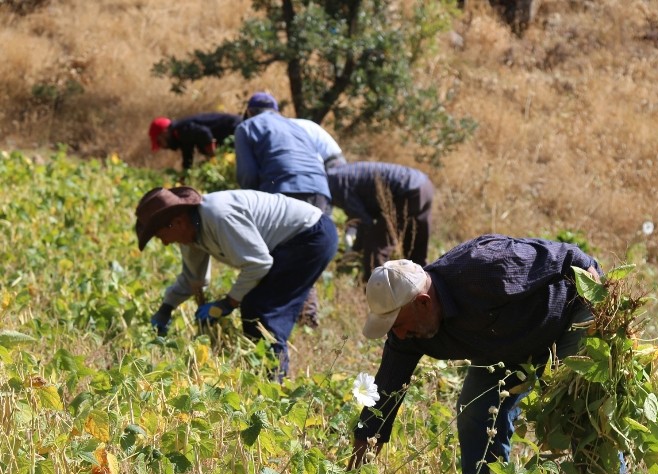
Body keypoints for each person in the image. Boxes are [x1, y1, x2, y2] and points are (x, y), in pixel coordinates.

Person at [350, 234, 629, 474]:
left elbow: (570, 257)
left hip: (569, 316)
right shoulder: (409, 335)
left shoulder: (485, 268)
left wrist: (601, 311)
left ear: (423, 302)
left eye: (398, 324)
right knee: (475, 412)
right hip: (509, 344)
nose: (398, 335)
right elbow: (383, 400)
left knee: (583, 412)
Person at [135, 186, 337, 379]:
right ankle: (265, 372)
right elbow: (193, 278)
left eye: (161, 236)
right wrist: (166, 308)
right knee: (255, 303)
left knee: (261, 307)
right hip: (291, 241)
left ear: (177, 222)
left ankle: (274, 378)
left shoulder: (219, 216)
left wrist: (228, 303)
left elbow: (258, 264)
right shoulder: (190, 233)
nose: (165, 243)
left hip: (311, 235)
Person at [235, 91, 332, 327]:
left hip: (284, 190)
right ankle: (306, 317)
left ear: (249, 111)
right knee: (307, 253)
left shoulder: (247, 127)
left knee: (277, 256)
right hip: (321, 190)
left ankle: (272, 319)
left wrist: (253, 202)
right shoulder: (296, 125)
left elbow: (247, 175)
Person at [327, 161, 434, 281]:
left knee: (375, 248)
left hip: (407, 192)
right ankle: (425, 287)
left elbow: (364, 222)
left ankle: (377, 289)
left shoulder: (334, 185)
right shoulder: (338, 174)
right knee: (416, 253)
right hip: (423, 184)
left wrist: (354, 250)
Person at [148, 113, 241, 171]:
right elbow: (187, 157)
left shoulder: (182, 130)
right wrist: (184, 177)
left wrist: (213, 157)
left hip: (235, 129)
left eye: (159, 142)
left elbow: (204, 133)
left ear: (164, 133)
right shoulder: (180, 134)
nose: (162, 147)